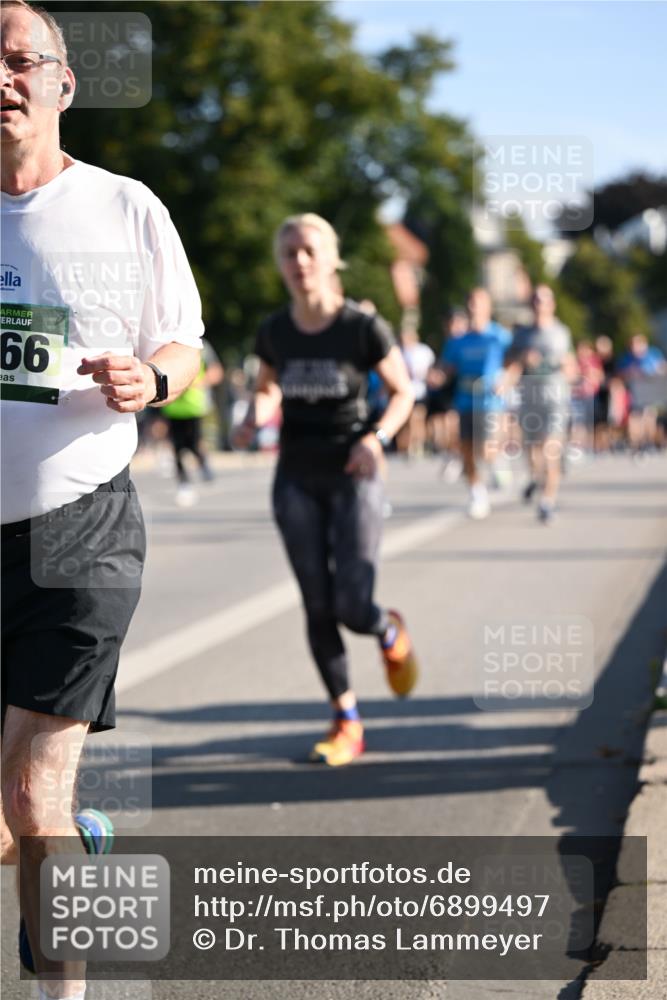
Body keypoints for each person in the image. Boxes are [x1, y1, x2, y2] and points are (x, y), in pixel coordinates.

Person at [0, 3, 203, 996]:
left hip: (80, 530)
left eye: (18, 60)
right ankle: (76, 844)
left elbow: (185, 342)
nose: (2, 78)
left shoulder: (124, 207)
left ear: (62, 83)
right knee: (23, 816)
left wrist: (150, 379)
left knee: (28, 791)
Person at [236, 213, 416, 767]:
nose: (299, 261)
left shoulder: (361, 327)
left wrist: (376, 438)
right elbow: (268, 388)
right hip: (295, 477)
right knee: (316, 604)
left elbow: (403, 392)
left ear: (332, 258)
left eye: (310, 250)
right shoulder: (275, 331)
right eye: (289, 252)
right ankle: (346, 719)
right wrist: (255, 416)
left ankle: (387, 629)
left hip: (354, 474)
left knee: (353, 606)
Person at [506, 284, 575, 523]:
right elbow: (509, 362)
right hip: (529, 398)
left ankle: (547, 502)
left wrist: (564, 366)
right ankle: (536, 478)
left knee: (550, 449)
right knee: (533, 453)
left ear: (552, 304)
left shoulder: (562, 332)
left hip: (555, 399)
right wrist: (522, 359)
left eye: (544, 300)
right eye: (536, 300)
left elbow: (571, 366)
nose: (539, 305)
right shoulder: (522, 334)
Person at [439, 288, 511, 519]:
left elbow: (514, 363)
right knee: (467, 452)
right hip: (465, 400)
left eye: (478, 303)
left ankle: (497, 460)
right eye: (470, 302)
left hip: (490, 401)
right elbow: (447, 367)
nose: (473, 307)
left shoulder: (500, 336)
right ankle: (477, 494)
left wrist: (506, 379)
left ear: (488, 307)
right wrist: (438, 375)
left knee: (486, 448)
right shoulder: (458, 341)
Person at [162, 337, 224, 506]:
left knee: (194, 444)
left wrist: (197, 383)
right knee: (177, 447)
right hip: (173, 406)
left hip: (195, 405)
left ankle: (203, 464)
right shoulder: (164, 343)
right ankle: (184, 484)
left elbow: (216, 372)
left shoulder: (202, 346)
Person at [396, 325, 435, 458]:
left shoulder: (423, 351)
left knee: (417, 418)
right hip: (405, 392)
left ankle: (418, 444)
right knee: (408, 420)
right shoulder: (399, 351)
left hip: (420, 392)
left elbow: (431, 369)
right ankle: (409, 445)